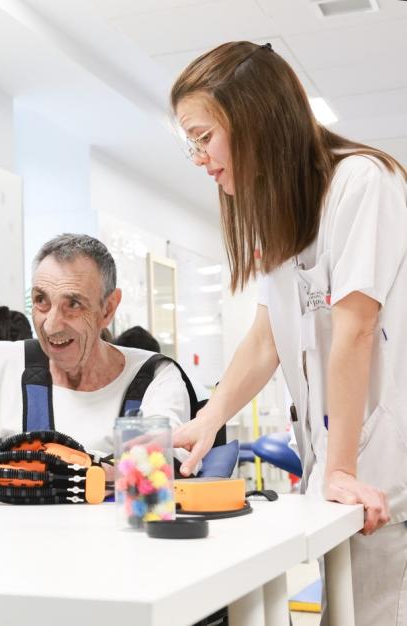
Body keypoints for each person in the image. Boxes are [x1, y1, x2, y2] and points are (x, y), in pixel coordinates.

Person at [170, 41, 406, 624]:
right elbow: (267, 338)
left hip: (385, 474)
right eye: (190, 143)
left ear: (251, 118)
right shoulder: (282, 218)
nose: (198, 157)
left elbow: (356, 327)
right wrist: (208, 420)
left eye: (204, 136)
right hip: (344, 480)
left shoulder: (360, 182)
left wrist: (343, 468)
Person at [0, 234, 191, 487]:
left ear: (108, 308)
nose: (52, 325)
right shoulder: (7, 365)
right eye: (41, 301)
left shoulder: (155, 377)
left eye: (73, 304)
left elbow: (164, 468)